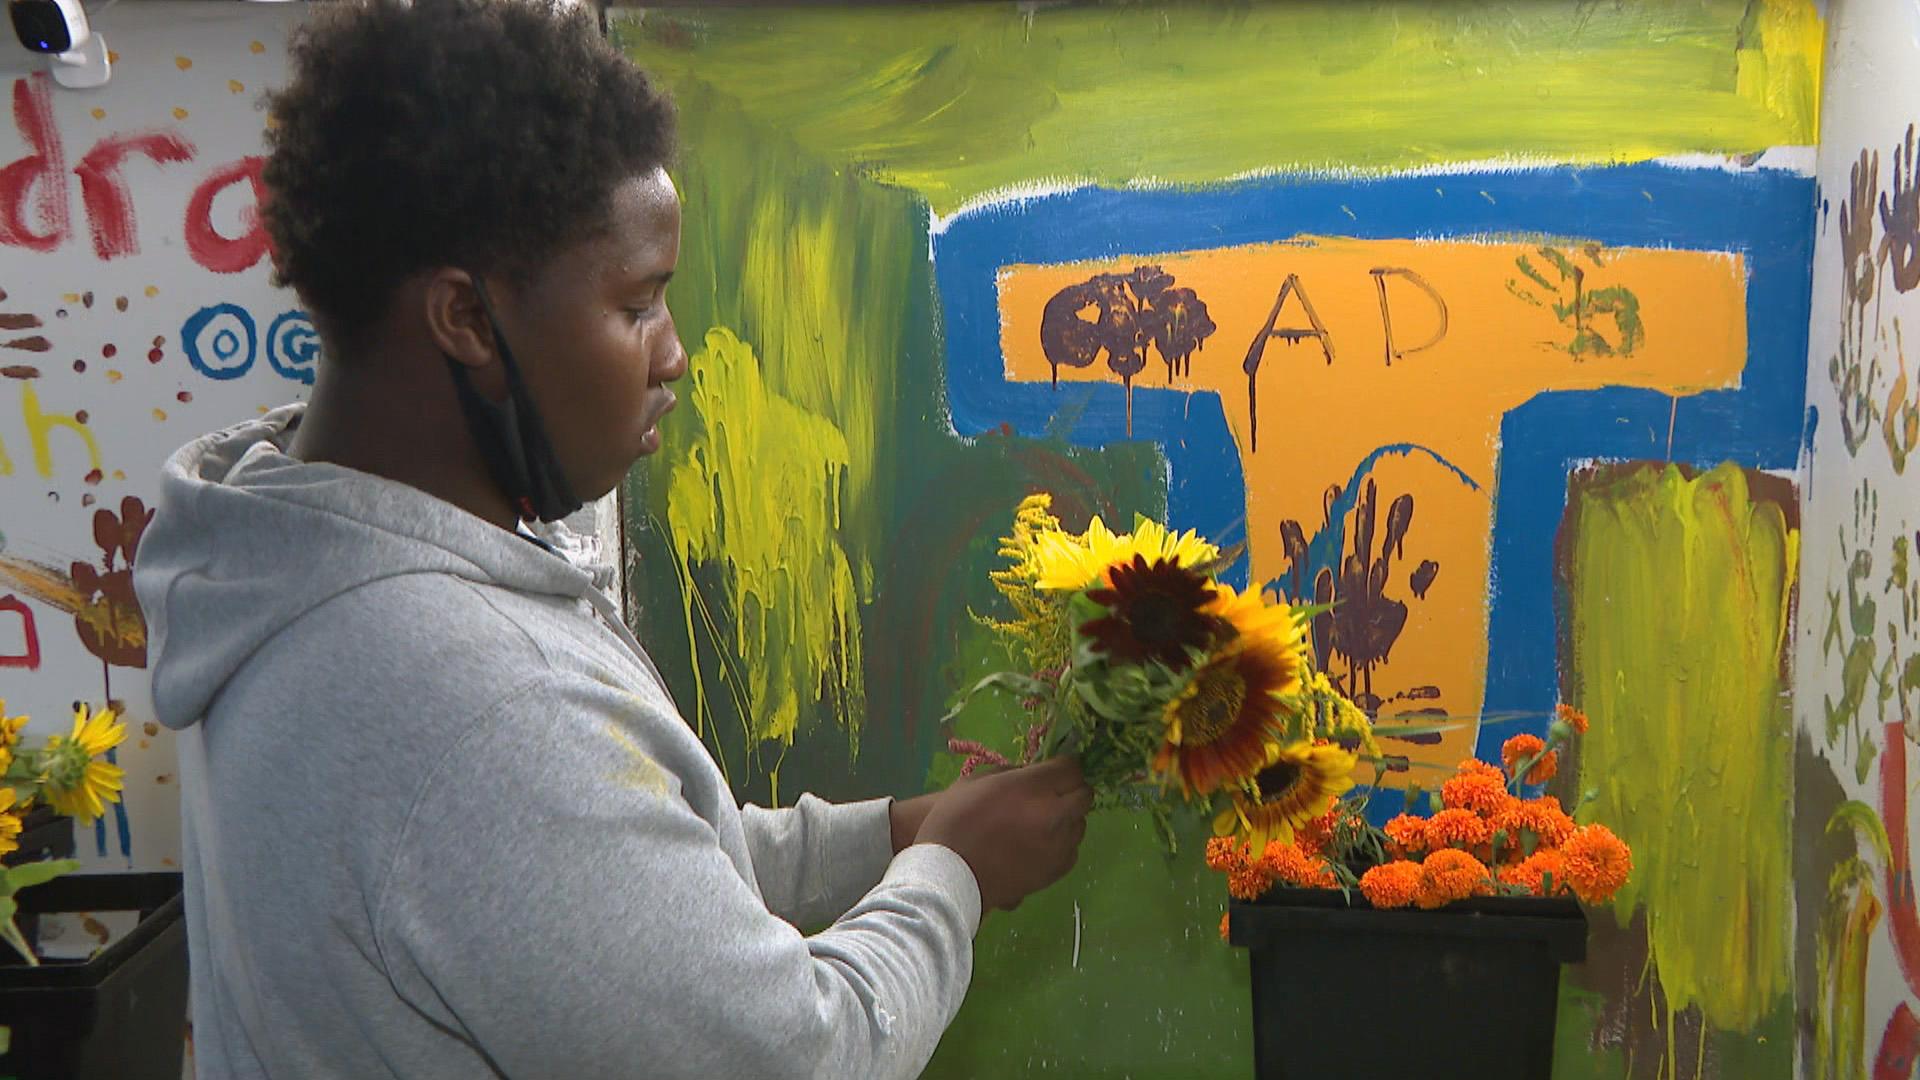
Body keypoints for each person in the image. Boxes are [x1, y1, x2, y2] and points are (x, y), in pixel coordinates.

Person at [130, 1, 1093, 1076]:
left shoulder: (305, 565)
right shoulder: (473, 704)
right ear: (464, 319)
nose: (673, 354)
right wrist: (953, 873)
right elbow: (805, 1057)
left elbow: (637, 879)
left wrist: (896, 835)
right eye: (637, 305)